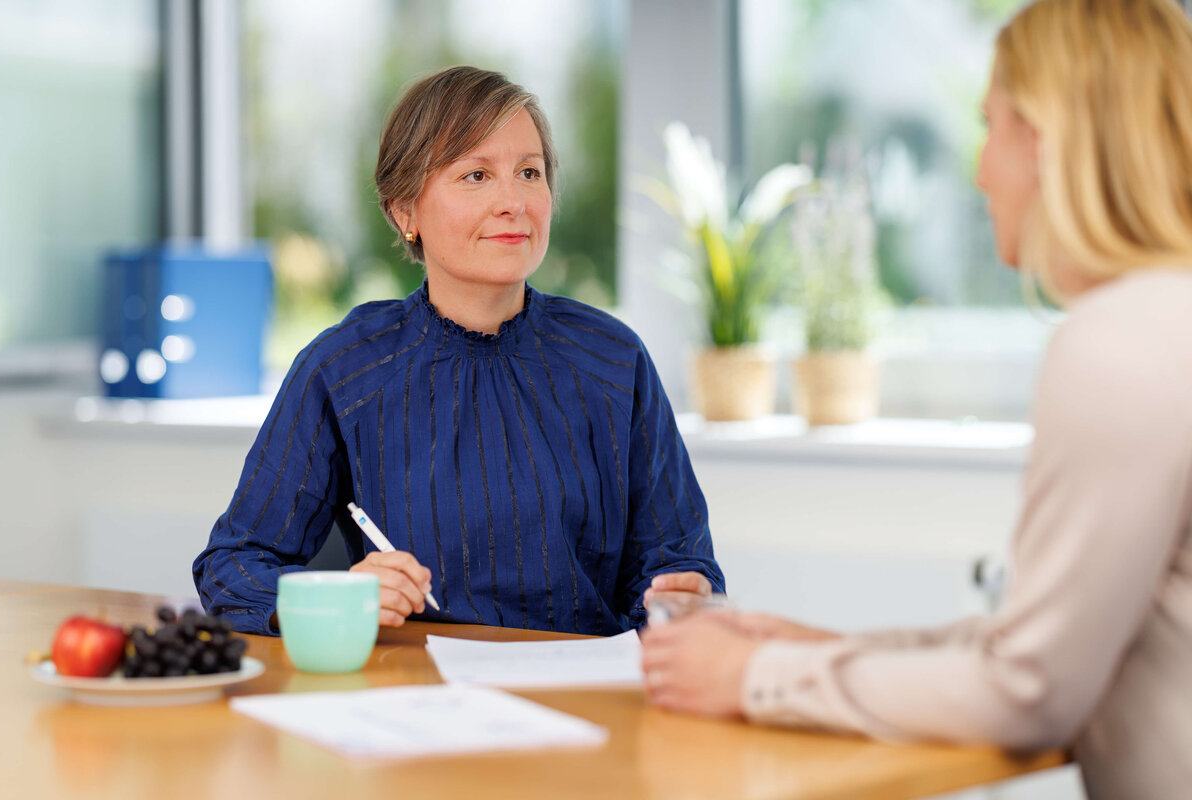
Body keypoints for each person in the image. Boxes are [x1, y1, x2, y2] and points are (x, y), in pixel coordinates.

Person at [640, 1, 1192, 797]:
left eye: (990, 125)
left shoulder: (1120, 345)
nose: (980, 169)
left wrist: (761, 676)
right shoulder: (1165, 318)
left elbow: (1028, 691)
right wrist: (811, 651)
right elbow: (1041, 645)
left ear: (1046, 140)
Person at [194, 66, 724, 637]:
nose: (513, 202)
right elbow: (232, 567)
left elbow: (681, 563)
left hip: (588, 703)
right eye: (475, 175)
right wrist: (338, 596)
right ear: (405, 212)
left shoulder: (615, 360)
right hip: (416, 701)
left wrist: (687, 593)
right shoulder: (342, 369)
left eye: (529, 173)